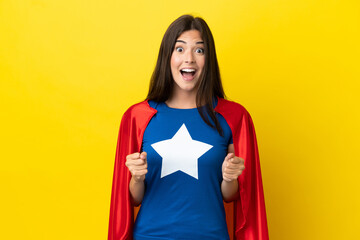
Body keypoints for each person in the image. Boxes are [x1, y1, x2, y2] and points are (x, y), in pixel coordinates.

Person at [108, 15, 269, 240]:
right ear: (168, 57)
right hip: (151, 235)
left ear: (208, 59)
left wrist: (230, 177)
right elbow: (134, 199)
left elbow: (230, 195)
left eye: (199, 50)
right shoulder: (138, 117)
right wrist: (136, 177)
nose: (189, 59)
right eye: (180, 49)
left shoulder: (233, 116)